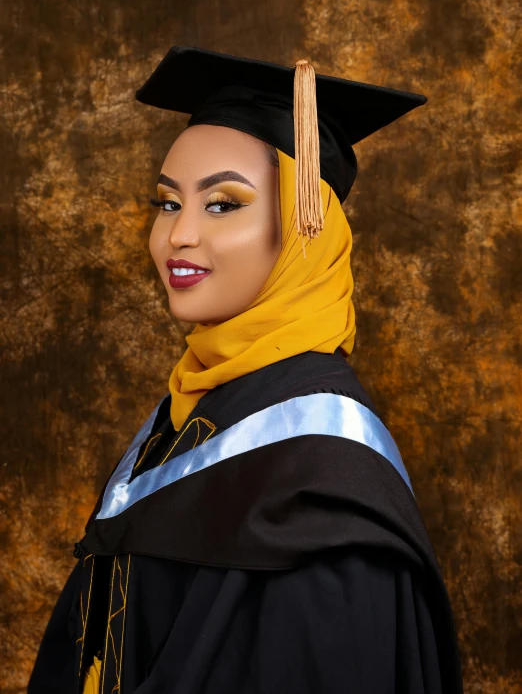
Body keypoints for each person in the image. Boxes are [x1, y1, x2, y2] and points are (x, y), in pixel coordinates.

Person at [28, 47, 463, 694]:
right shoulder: (194, 410)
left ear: (303, 233)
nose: (176, 235)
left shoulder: (324, 495)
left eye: (222, 203)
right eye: (168, 202)